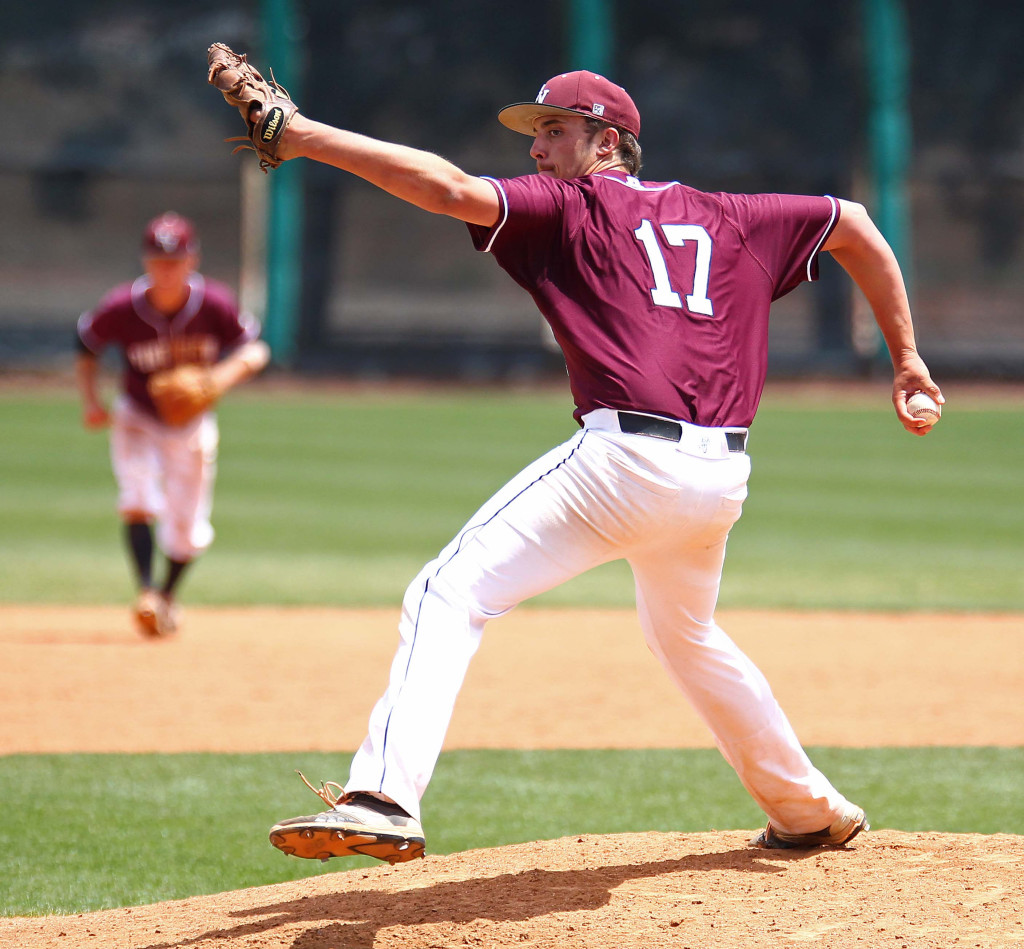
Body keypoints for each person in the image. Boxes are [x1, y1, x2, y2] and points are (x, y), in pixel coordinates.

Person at [216, 65, 942, 863]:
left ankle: (384, 794)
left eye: (554, 131)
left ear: (609, 143)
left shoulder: (575, 204)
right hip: (719, 478)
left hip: (626, 462)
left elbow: (450, 189)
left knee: (447, 589)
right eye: (535, 133)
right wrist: (905, 358)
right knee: (685, 632)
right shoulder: (730, 216)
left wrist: (303, 134)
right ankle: (807, 808)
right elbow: (855, 222)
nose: (537, 150)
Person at [76, 212, 270, 638]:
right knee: (137, 495)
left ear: (192, 259)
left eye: (175, 259)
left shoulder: (215, 303)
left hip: (191, 424)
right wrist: (91, 401)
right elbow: (85, 345)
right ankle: (146, 591)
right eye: (158, 259)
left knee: (187, 524)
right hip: (138, 416)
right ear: (145, 261)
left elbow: (256, 352)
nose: (167, 268)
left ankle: (165, 596)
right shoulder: (122, 306)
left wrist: (218, 379)